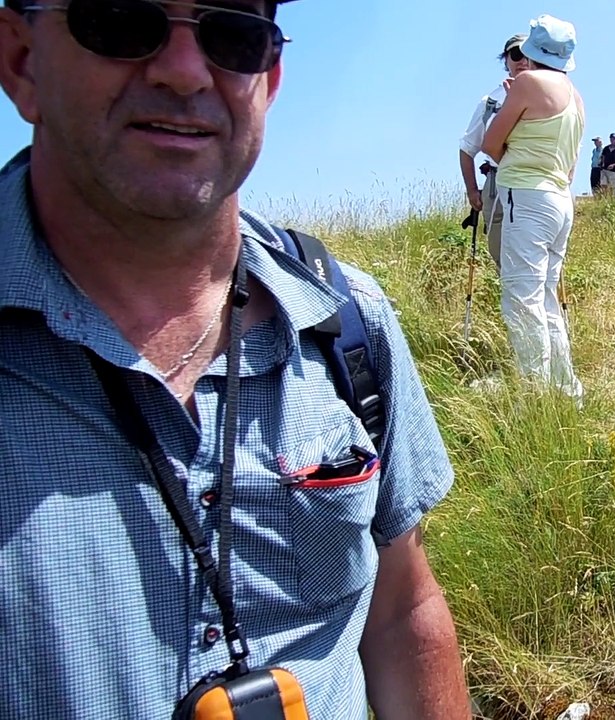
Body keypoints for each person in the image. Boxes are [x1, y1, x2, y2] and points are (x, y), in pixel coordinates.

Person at [0, 1, 470, 718]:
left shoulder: (346, 323)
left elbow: (401, 605)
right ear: (20, 59)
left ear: (271, 77)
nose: (187, 72)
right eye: (123, 21)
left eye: (232, 35)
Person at [481, 14, 585, 406]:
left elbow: (491, 145)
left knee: (521, 299)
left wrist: (514, 105)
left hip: (527, 196)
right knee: (546, 298)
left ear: (532, 50)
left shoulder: (526, 83)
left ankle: (535, 395)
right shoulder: (576, 96)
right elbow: (572, 166)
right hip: (560, 200)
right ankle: (565, 388)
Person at [459, 33, 530, 271]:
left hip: (533, 179)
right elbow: (468, 148)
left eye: (529, 53)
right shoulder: (491, 101)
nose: (523, 60)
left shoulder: (548, 96)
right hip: (496, 181)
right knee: (499, 248)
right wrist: (472, 190)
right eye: (516, 54)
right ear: (506, 60)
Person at [599, 132, 615, 197]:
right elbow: (603, 157)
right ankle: (604, 199)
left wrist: (614, 165)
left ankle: (612, 201)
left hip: (613, 171)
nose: (612, 140)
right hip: (604, 170)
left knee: (613, 189)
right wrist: (602, 163)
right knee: (603, 185)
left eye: (613, 138)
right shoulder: (606, 148)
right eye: (611, 138)